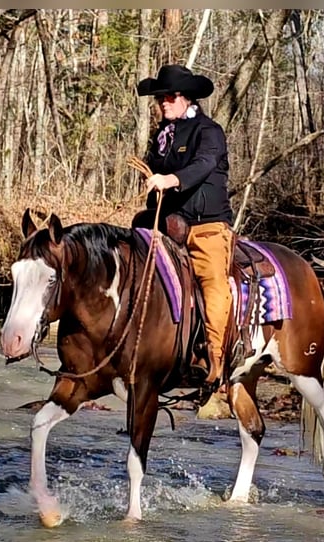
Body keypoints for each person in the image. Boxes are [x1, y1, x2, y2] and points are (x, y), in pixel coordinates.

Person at [134, 64, 234, 387]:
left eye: (169, 96)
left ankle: (215, 359)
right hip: (169, 225)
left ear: (186, 98)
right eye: (160, 97)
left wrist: (170, 179)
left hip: (207, 227)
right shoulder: (161, 136)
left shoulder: (210, 132)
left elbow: (202, 165)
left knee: (212, 281)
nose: (163, 102)